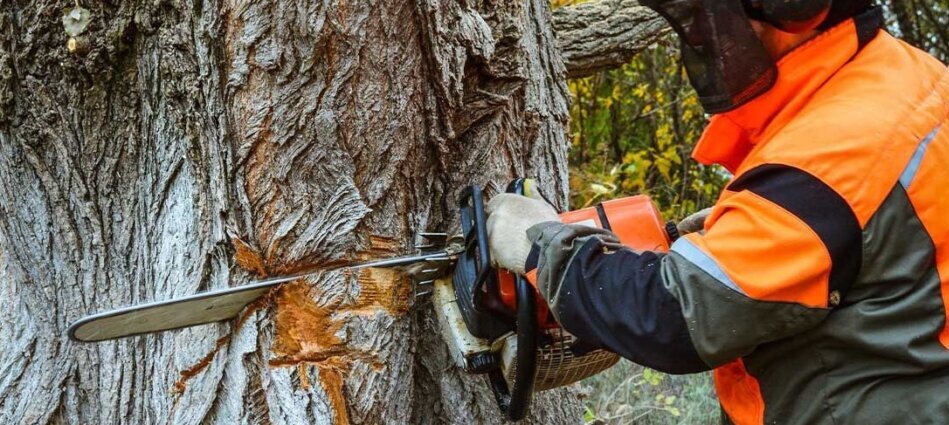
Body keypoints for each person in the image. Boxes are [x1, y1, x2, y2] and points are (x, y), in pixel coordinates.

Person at [485, 1, 949, 423]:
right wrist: (750, 233)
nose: (705, 36)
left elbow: (677, 317)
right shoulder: (907, 78)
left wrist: (542, 247)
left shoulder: (829, 158)